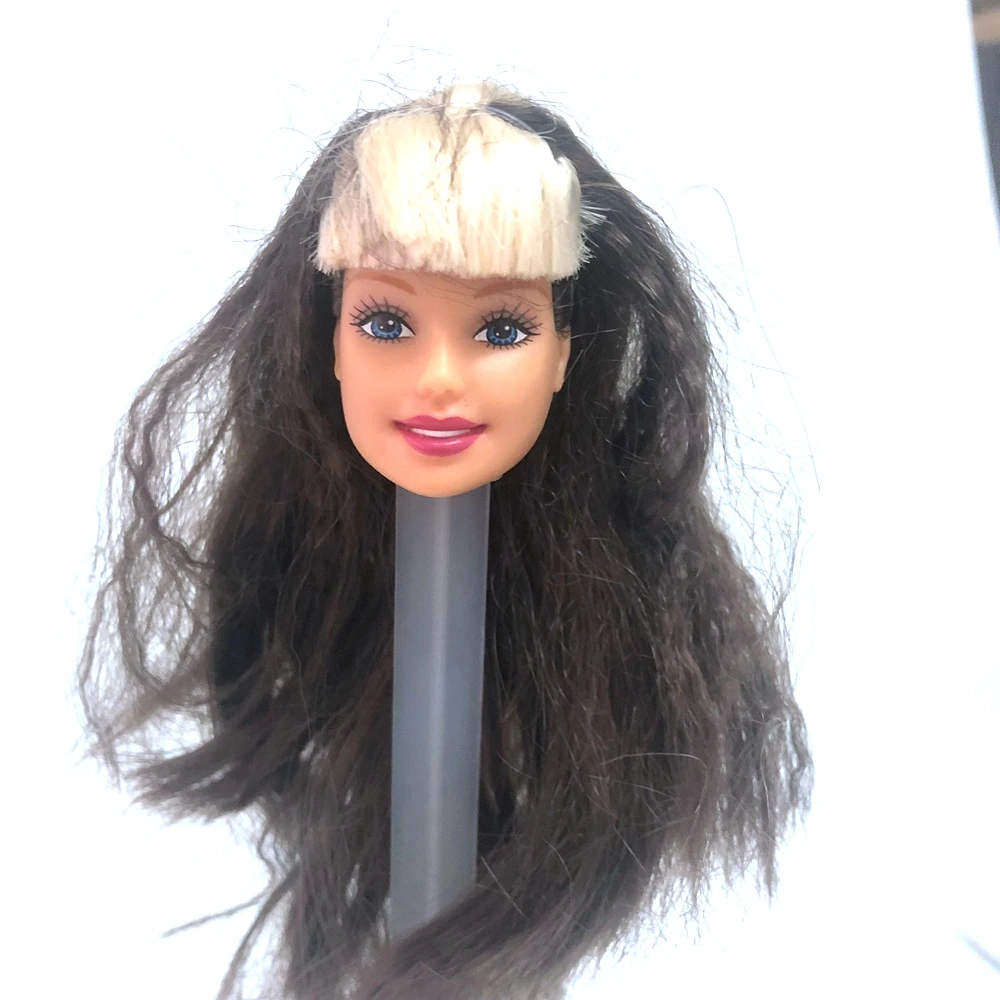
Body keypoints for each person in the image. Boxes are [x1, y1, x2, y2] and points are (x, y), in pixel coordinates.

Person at [77, 81, 812, 1000]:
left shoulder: (609, 634)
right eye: (386, 323)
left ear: (563, 353)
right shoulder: (314, 572)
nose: (436, 379)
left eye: (499, 328)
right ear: (332, 341)